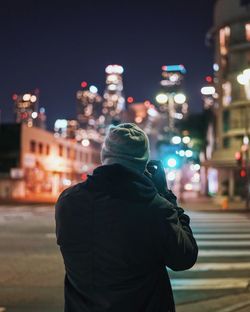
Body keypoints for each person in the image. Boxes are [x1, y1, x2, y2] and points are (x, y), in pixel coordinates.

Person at [55, 123, 198, 312]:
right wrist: (166, 195)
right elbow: (184, 258)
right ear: (143, 162)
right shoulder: (155, 208)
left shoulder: (68, 201)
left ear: (104, 155)